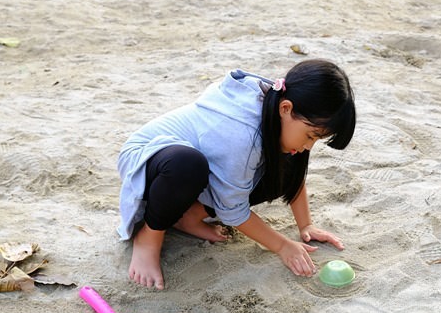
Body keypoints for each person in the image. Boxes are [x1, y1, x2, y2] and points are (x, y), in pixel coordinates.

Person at [117, 59, 356, 290]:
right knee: (188, 165)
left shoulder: (281, 116)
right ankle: (149, 236)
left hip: (195, 171)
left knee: (285, 162)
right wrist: (283, 246)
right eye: (311, 136)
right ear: (286, 108)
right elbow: (233, 211)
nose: (308, 147)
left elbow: (293, 176)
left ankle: (188, 217)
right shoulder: (241, 135)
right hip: (150, 163)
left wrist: (306, 225)